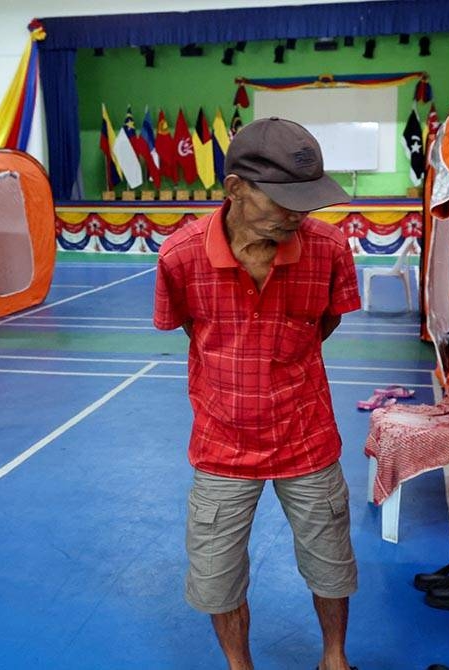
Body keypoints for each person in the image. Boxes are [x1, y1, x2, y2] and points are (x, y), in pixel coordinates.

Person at [154, 117, 361, 670]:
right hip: (222, 443)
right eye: (283, 200)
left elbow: (326, 324)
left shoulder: (328, 249)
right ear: (235, 188)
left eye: (308, 201)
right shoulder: (180, 256)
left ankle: (334, 658)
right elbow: (190, 330)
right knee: (217, 575)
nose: (298, 214)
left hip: (306, 436)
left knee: (331, 560)